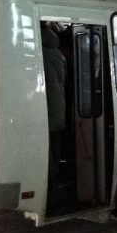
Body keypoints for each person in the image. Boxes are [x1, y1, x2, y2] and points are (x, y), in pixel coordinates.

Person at [41, 25, 67, 187]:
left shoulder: (39, 54)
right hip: (59, 105)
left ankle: (50, 174)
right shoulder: (59, 55)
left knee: (47, 142)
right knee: (56, 139)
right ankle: (56, 170)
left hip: (46, 106)